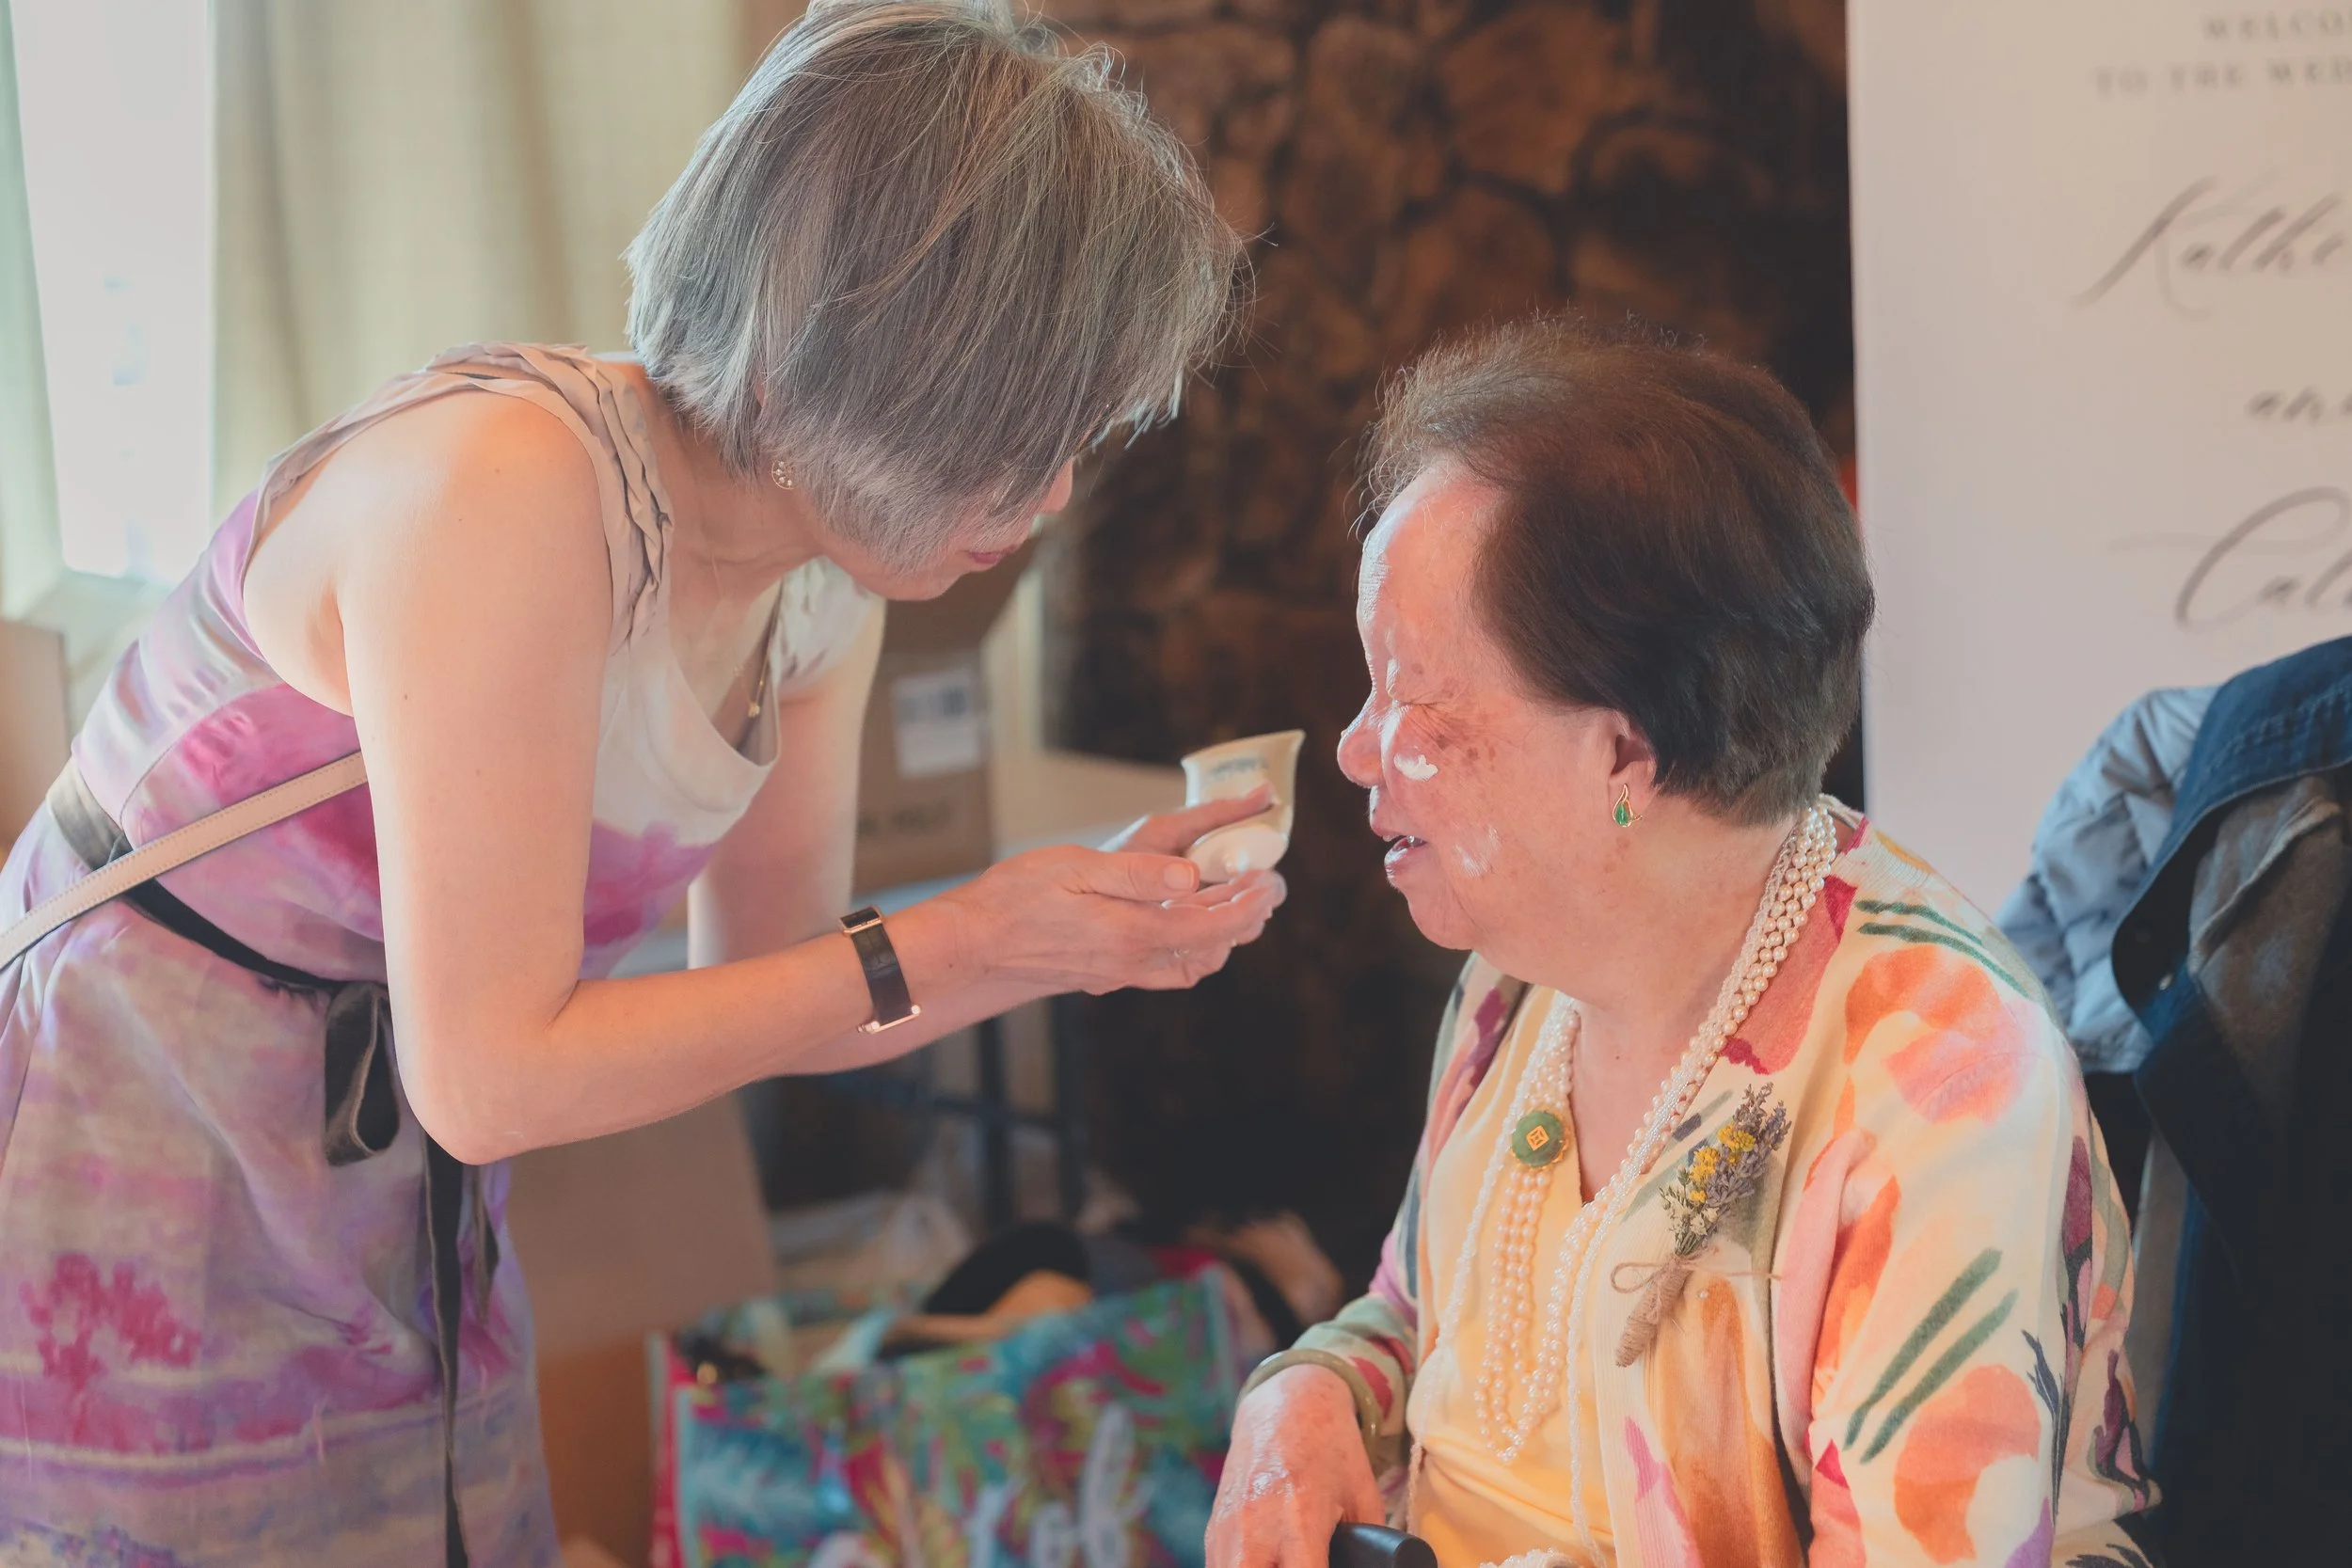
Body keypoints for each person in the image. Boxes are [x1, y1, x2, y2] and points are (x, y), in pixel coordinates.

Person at [0, 3, 1284, 1561]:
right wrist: (968, 937)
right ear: (899, 354)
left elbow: (783, 988)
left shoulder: (819, 589)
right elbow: (488, 1076)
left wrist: (1057, 937)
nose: (1058, 488)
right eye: (1037, 425)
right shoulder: (513, 491)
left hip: (376, 1177)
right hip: (135, 1128)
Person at [1207, 317, 2158, 1567]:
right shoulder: (1518, 977)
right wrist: (1305, 1394)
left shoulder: (1940, 1085)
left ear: (1624, 752)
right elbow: (1421, 1315)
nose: (1353, 748)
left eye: (1417, 703)